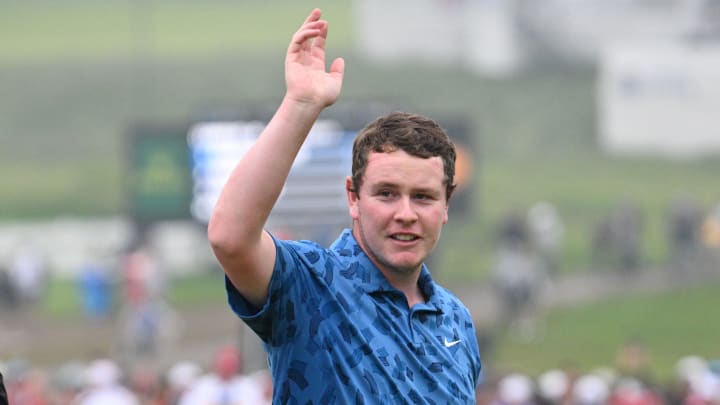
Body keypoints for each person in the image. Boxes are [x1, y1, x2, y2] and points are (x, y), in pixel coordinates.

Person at [207, 8, 482, 404]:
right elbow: (230, 237)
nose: (405, 213)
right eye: (386, 193)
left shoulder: (455, 318)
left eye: (422, 196)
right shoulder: (311, 286)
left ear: (446, 204)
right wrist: (301, 104)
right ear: (353, 197)